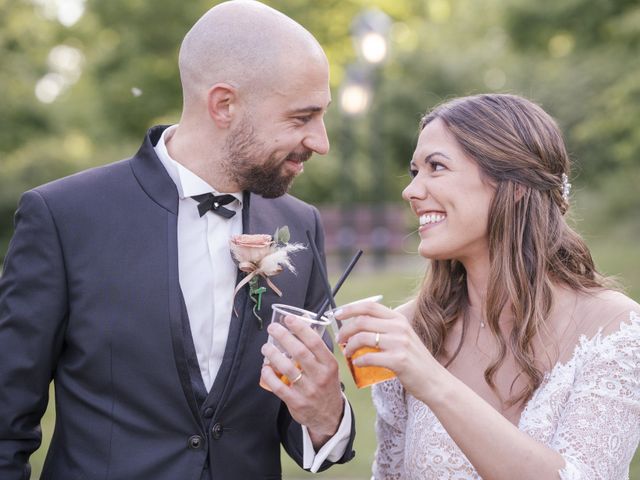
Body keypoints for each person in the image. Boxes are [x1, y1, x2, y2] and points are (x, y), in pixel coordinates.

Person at [0, 1, 356, 478]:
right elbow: (7, 418)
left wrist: (326, 413)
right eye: (301, 118)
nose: (322, 141)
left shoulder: (301, 224)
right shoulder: (63, 217)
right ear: (224, 105)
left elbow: (304, 420)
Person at [336, 94, 640, 479]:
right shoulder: (411, 329)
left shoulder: (614, 329)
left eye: (436, 167)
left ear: (513, 184)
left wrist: (429, 377)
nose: (411, 191)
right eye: (415, 171)